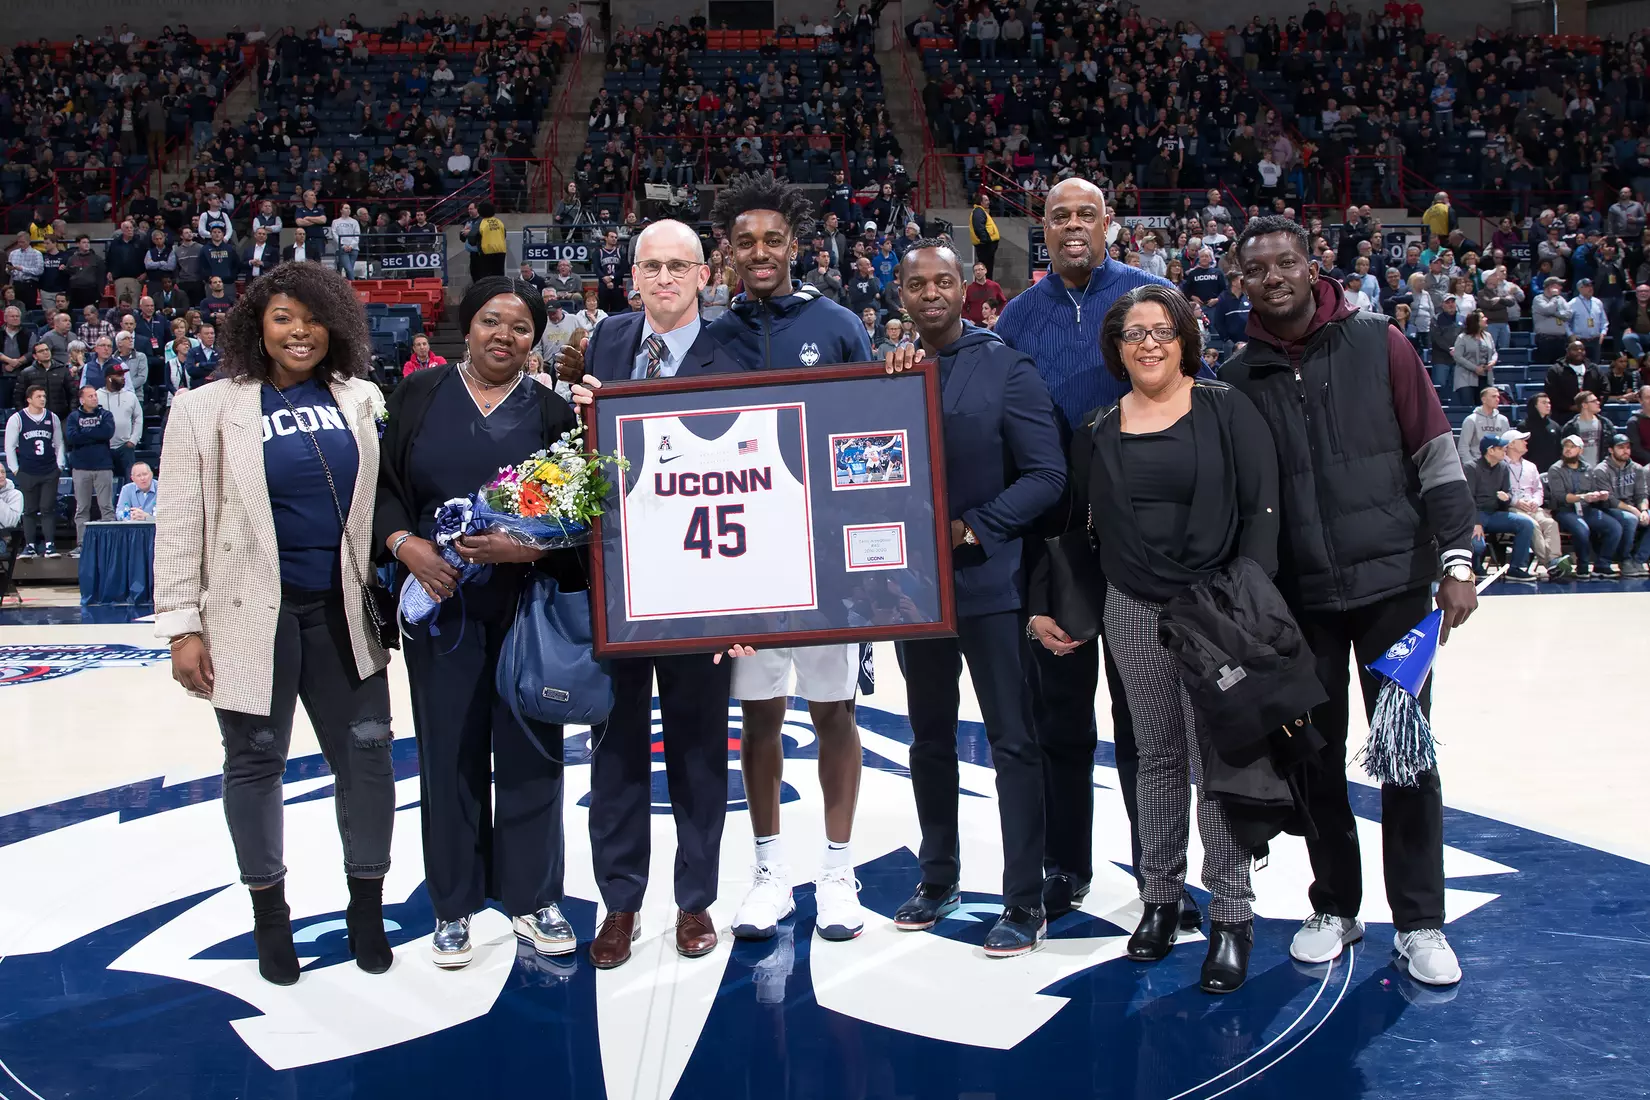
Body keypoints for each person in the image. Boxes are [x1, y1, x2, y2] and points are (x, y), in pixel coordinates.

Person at [1220, 216, 1478, 987]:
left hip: (1399, 588)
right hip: (1302, 604)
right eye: (1258, 268)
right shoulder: (1236, 379)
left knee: (1408, 753)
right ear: (1241, 282)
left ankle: (1421, 922)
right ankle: (1335, 903)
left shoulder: (1381, 342)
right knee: (1315, 756)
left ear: (1312, 265)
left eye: (1287, 262)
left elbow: (1436, 451)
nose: (1274, 277)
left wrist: (1457, 560)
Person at [154, 262, 395, 987]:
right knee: (256, 764)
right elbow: (179, 523)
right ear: (257, 325)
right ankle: (270, 915)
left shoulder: (362, 398)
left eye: (314, 318)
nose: (300, 331)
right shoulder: (206, 408)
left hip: (343, 611)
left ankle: (366, 908)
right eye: (285, 317)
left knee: (369, 756)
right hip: (248, 614)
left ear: (337, 328)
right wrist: (181, 627)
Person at [1067, 283, 1281, 991]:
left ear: (1185, 338)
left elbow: (1262, 512)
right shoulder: (1099, 427)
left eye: (1162, 330)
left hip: (1217, 607)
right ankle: (1160, 899)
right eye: (1134, 333)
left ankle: (1232, 914)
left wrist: (1254, 604)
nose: (1149, 343)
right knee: (1155, 756)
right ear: (1117, 348)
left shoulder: (1224, 408)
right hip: (1132, 606)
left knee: (1216, 758)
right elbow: (1076, 529)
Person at [997, 175, 1191, 926]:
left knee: (1151, 728)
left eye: (1086, 213)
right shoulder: (1015, 319)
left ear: (1109, 221)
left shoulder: (1153, 298)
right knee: (1062, 723)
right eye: (1058, 216)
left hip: (1148, 543)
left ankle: (1160, 879)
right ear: (1039, 229)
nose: (1073, 225)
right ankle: (1064, 866)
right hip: (1061, 549)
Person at [376, 277, 581, 969]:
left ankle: (533, 895)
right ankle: (454, 904)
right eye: (492, 322)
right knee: (447, 756)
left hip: (528, 611)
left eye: (520, 328)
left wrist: (530, 546)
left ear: (535, 339)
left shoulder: (553, 414)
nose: (505, 336)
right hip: (441, 610)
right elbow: (381, 489)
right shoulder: (418, 396)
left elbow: (577, 519)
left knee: (531, 751)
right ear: (466, 327)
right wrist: (406, 547)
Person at [562, 220, 747, 969]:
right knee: (616, 746)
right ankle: (621, 902)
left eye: (679, 265)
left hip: (704, 578)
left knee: (701, 746)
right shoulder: (607, 340)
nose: (664, 278)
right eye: (650, 265)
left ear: (705, 275)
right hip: (620, 576)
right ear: (631, 274)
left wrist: (753, 600)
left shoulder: (735, 346)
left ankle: (695, 899)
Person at [703, 172, 875, 943]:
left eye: (774, 239)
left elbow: (874, 439)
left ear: (797, 246)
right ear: (728, 251)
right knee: (760, 712)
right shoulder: (712, 335)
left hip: (828, 555)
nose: (761, 252)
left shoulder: (837, 324)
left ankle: (838, 871)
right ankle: (769, 873)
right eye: (747, 241)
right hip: (743, 559)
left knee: (833, 708)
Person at [884, 238, 1064, 956]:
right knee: (928, 740)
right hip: (912, 593)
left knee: (1013, 742)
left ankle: (1024, 899)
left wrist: (976, 528)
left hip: (990, 585)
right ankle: (938, 878)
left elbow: (1047, 476)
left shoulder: (1006, 368)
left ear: (966, 288)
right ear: (901, 294)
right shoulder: (889, 370)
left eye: (943, 281)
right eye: (916, 284)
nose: (930, 293)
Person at [3, 383, 64, 558]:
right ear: (29, 399)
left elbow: (59, 444)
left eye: (44, 396)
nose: (42, 399)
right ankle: (29, 546)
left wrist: (60, 466)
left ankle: (50, 546)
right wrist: (15, 470)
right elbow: (10, 446)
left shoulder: (52, 418)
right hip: (28, 471)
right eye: (38, 396)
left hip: (49, 471)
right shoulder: (17, 418)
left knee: (47, 508)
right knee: (29, 509)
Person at [1467, 434, 1539, 582]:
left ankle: (1516, 568)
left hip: (1494, 514)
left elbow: (1508, 493)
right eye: (1500, 448)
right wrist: (1476, 522)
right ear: (1490, 451)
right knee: (1478, 546)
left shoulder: (1503, 467)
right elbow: (1467, 499)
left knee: (1526, 523)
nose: (1504, 451)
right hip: (1475, 515)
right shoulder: (1471, 467)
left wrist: (1506, 498)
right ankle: (1475, 567)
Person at [1502, 430, 1572, 580]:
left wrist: (1535, 501)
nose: (1526, 442)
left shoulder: (1530, 466)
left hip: (1533, 506)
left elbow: (1538, 489)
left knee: (1550, 523)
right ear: (1511, 444)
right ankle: (1551, 564)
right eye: (1522, 440)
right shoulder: (1501, 465)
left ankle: (1554, 559)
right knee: (1531, 524)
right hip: (1513, 507)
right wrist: (1516, 502)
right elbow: (1499, 491)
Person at [1549, 434, 1615, 580]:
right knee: (1582, 529)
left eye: (1572, 447)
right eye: (1566, 446)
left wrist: (1599, 495)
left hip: (1587, 508)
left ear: (1580, 451)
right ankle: (1583, 566)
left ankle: (1602, 565)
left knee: (1614, 527)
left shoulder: (1588, 468)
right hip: (1565, 510)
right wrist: (1583, 497)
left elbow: (1592, 490)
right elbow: (1560, 496)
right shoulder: (1555, 469)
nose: (1568, 450)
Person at [65, 384, 115, 554]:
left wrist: (84, 433)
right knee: (82, 508)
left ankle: (109, 543)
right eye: (90, 396)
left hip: (103, 466)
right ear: (82, 399)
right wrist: (94, 433)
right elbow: (72, 437)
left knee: (106, 507)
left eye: (95, 395)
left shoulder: (106, 415)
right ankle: (82, 544)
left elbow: (107, 433)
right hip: (80, 467)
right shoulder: (73, 417)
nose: (94, 398)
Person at [1591, 432, 1650, 577]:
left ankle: (1638, 560)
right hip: (1608, 509)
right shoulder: (1601, 470)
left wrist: (1643, 510)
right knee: (1630, 519)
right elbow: (1609, 500)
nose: (1625, 451)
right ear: (1611, 450)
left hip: (1633, 508)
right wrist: (1633, 510)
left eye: (1628, 447)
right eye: (1621, 447)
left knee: (1644, 516)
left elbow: (1642, 495)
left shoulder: (1637, 468)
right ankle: (1624, 559)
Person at [99, 363, 142, 483]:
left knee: (131, 480)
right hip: (104, 447)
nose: (123, 378)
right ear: (109, 378)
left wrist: (133, 440)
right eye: (119, 375)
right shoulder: (97, 396)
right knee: (105, 483)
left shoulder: (130, 396)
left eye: (123, 375)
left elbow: (138, 418)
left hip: (125, 446)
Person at [1544, 339, 1608, 420]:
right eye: (1575, 349)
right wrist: (1569, 407)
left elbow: (1605, 388)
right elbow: (1551, 392)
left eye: (1582, 349)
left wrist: (1593, 405)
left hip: (1592, 414)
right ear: (1567, 351)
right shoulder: (1556, 370)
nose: (1579, 351)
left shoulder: (1594, 368)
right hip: (1564, 415)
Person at [1451, 311, 1497, 408]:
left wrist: (1493, 361)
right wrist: (1475, 368)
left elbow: (1494, 352)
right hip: (1466, 378)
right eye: (1483, 318)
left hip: (1485, 377)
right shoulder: (1463, 338)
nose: (1486, 319)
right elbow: (1458, 356)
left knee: (1484, 407)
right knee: (1469, 408)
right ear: (1476, 322)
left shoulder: (1488, 336)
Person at [1457, 386, 1509, 466]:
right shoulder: (1471, 420)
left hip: (1498, 465)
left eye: (1498, 397)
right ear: (1483, 399)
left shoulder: (1503, 420)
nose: (1497, 399)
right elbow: (1463, 446)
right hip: (1477, 464)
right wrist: (1471, 465)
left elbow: (1506, 445)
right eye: (1493, 396)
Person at [1562, 390, 1610, 466]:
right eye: (1594, 401)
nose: (1598, 403)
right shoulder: (1570, 427)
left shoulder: (1606, 424)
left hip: (1601, 470)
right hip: (1579, 472)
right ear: (1584, 405)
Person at [1520, 392, 1565, 472]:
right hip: (1532, 470)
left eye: (1549, 403)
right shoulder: (1524, 426)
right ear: (1535, 406)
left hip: (1553, 470)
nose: (1548, 405)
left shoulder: (1555, 426)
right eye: (1544, 403)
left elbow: (1559, 449)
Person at [472, 202, 507, 278]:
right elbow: (504, 235)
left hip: (487, 252)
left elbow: (472, 238)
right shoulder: (499, 222)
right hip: (501, 251)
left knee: (487, 277)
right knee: (499, 276)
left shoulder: (481, 223)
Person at [969, 191, 1000, 278]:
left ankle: (987, 287)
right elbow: (979, 228)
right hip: (985, 246)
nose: (988, 202)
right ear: (981, 202)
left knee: (987, 269)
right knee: (986, 269)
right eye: (986, 200)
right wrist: (985, 241)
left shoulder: (980, 211)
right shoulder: (978, 211)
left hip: (986, 246)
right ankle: (985, 288)